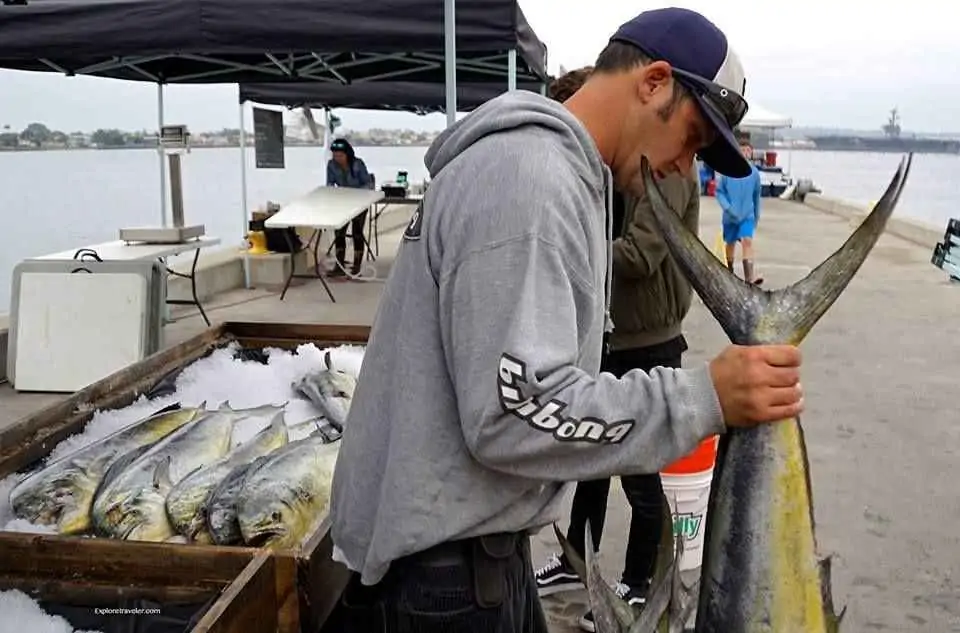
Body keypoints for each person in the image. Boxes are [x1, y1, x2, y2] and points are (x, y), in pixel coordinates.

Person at [327, 8, 804, 633]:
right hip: (444, 584)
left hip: (476, 549)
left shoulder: (551, 175)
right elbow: (512, 414)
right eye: (691, 137)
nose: (685, 167)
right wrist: (703, 398)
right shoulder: (530, 180)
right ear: (654, 81)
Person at [536, 66, 703, 632]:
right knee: (592, 460)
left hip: (649, 335)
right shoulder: (609, 169)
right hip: (614, 331)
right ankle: (576, 561)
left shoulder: (670, 168)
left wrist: (563, 244)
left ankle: (640, 583)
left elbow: (642, 255)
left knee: (640, 470)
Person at [716, 137, 764, 285]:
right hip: (730, 217)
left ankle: (749, 278)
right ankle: (729, 272)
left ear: (751, 153)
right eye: (742, 150)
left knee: (747, 241)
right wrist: (728, 208)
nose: (745, 153)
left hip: (747, 216)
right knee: (730, 244)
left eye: (748, 150)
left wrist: (756, 216)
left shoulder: (754, 174)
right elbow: (719, 192)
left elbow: (757, 196)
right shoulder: (727, 170)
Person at [326, 137, 374, 278]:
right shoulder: (331, 165)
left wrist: (356, 193)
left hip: (359, 202)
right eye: (335, 155)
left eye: (340, 155)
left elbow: (368, 184)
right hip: (342, 203)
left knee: (357, 233)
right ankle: (339, 265)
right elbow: (330, 183)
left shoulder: (358, 164)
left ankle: (356, 267)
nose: (337, 158)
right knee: (339, 233)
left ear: (347, 154)